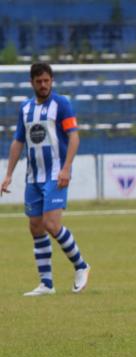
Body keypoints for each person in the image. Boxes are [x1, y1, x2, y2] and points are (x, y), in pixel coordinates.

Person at [1, 63, 90, 296]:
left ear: (52, 81)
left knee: (51, 224)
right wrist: (8, 174)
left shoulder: (62, 104)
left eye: (47, 81)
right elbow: (18, 142)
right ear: (32, 82)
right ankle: (46, 284)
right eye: (39, 81)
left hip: (56, 175)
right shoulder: (25, 108)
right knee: (36, 227)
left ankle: (81, 266)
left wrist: (67, 168)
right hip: (33, 177)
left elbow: (74, 137)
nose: (43, 85)